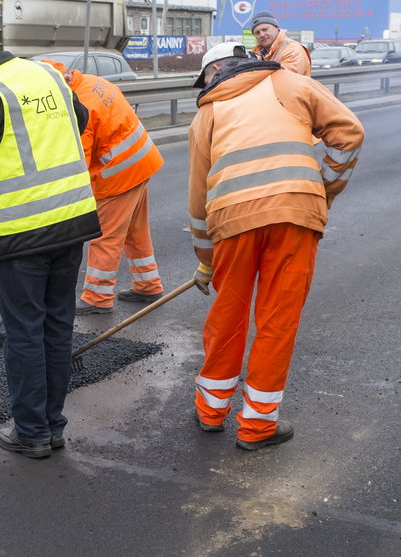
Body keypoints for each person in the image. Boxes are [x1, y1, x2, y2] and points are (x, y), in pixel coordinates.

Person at [187, 43, 364, 450]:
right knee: (277, 320)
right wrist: (324, 187)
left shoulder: (207, 113)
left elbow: (198, 197)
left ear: (215, 71)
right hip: (295, 215)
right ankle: (258, 427)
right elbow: (349, 133)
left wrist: (206, 260)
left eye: (207, 77)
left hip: (231, 222)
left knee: (227, 314)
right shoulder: (291, 83)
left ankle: (210, 411)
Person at [0, 33, 101, 458]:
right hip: (71, 222)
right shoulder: (47, 74)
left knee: (25, 331)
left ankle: (31, 432)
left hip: (22, 232)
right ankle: (52, 426)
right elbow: (78, 120)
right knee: (57, 326)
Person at [41, 60, 165, 314]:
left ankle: (97, 296)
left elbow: (79, 165)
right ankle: (148, 284)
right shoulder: (93, 82)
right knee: (134, 229)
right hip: (141, 161)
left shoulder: (79, 107)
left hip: (119, 174)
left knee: (105, 235)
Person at [250, 11, 311, 76]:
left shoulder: (293, 49)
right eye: (257, 33)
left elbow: (286, 79)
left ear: (277, 28)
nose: (261, 35)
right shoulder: (259, 55)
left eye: (265, 29)